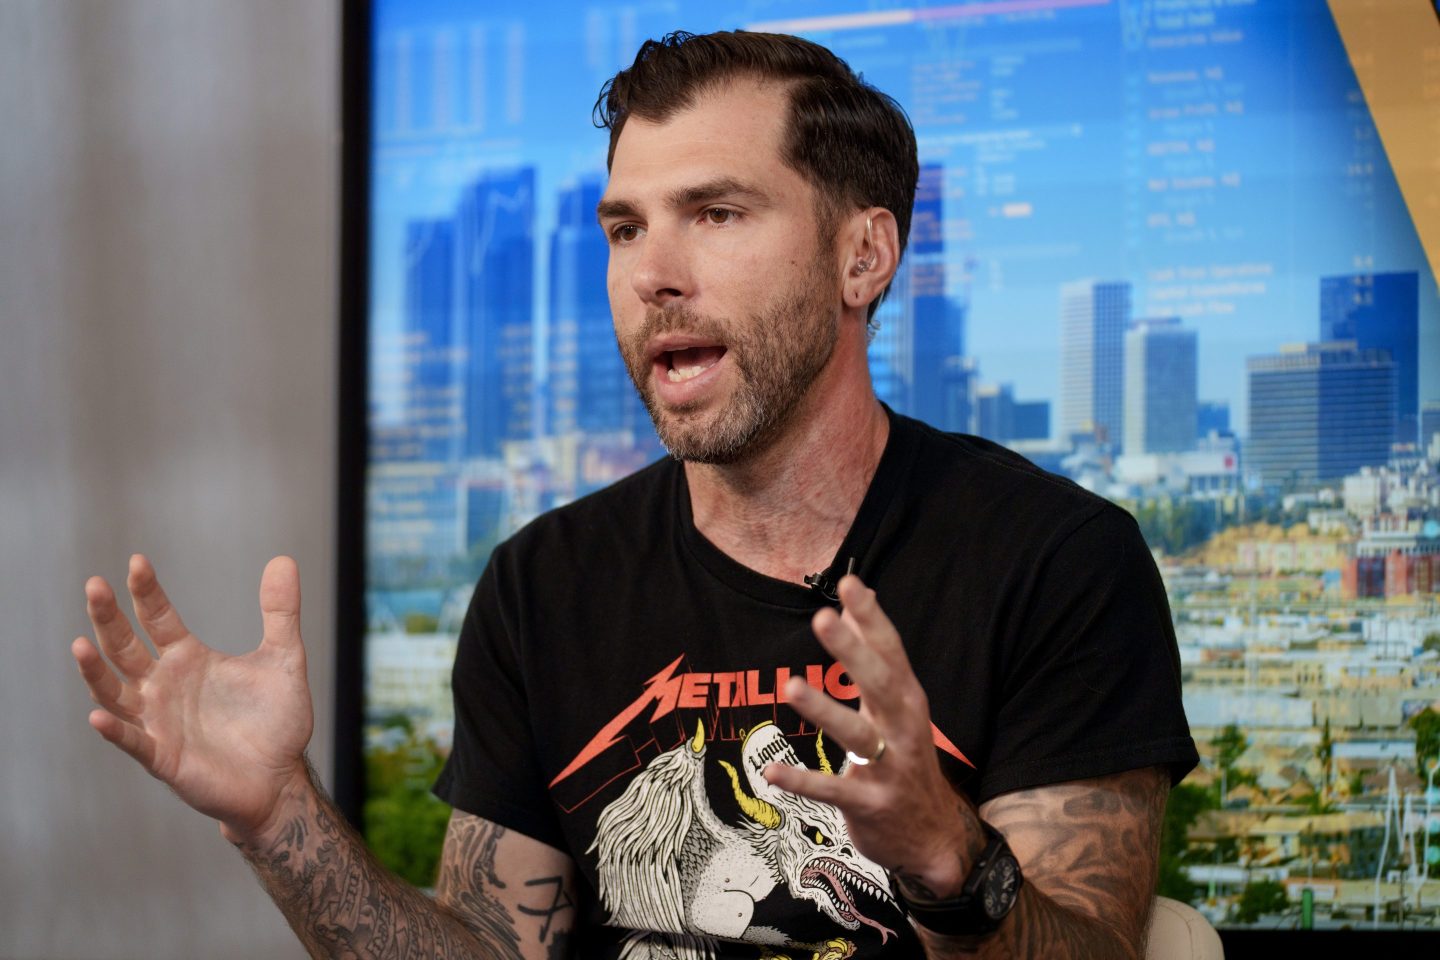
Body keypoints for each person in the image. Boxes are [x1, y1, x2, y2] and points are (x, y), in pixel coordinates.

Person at [72, 30, 1197, 960]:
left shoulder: (1056, 561)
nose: (652, 274)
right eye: (625, 228)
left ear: (864, 257)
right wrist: (281, 818)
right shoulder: (541, 585)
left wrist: (953, 860)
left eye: (716, 213)